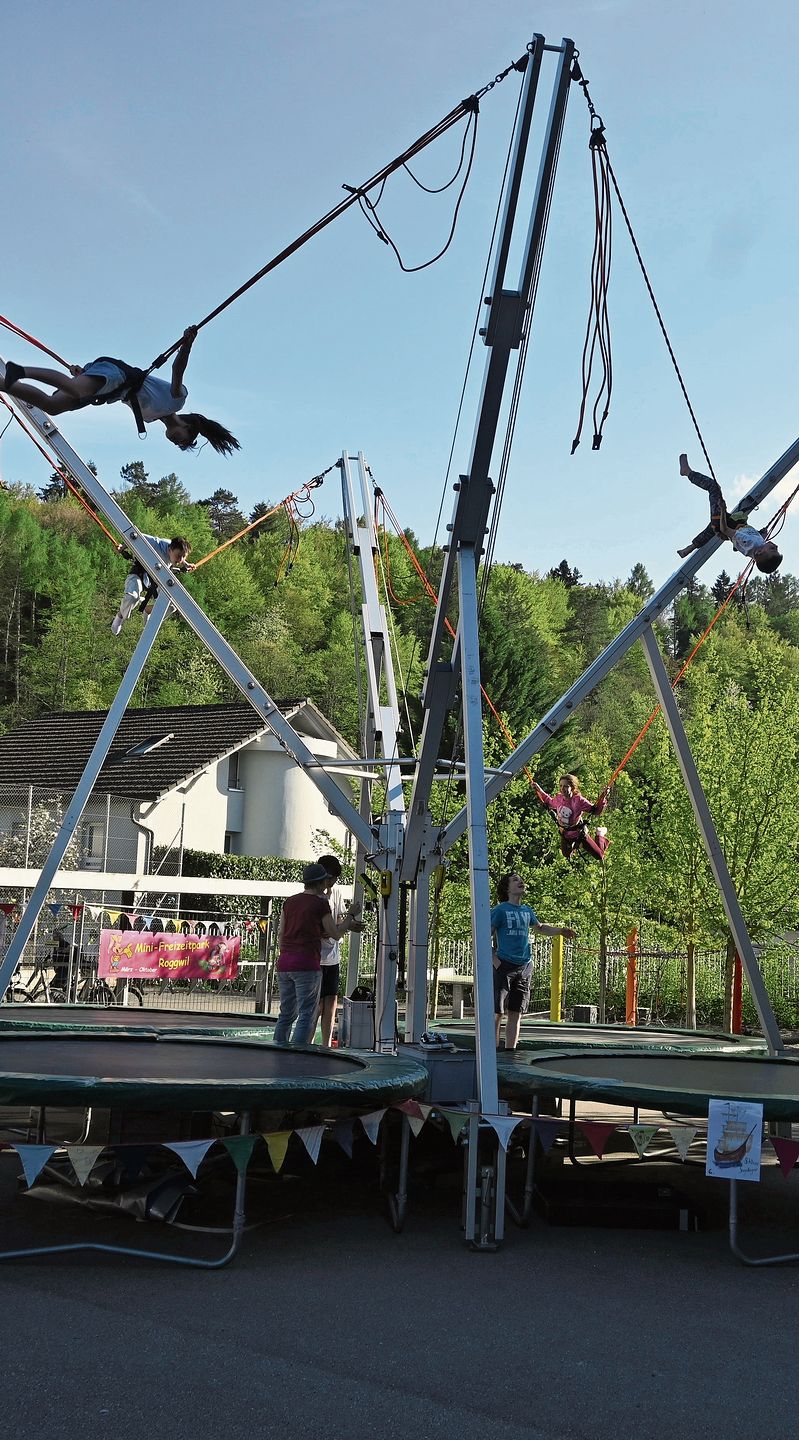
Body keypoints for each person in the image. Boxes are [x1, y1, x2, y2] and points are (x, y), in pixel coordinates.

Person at [0, 326, 239, 455]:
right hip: (118, 375)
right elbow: (178, 371)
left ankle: (3, 383)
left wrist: (85, 372)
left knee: (53, 406)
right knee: (74, 389)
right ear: (188, 426)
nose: (177, 442)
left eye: (178, 445)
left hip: (110, 389)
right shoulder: (176, 401)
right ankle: (19, 372)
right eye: (183, 440)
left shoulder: (149, 417)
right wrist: (186, 346)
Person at [274, 862, 362, 1046]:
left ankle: (278, 1050)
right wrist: (351, 916)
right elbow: (335, 934)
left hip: (284, 963)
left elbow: (282, 933)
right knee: (307, 1013)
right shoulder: (320, 904)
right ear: (321, 882)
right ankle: (298, 1056)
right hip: (306, 964)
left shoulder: (289, 902)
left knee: (286, 1014)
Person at [491, 874, 576, 1050]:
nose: (521, 881)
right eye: (515, 880)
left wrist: (561, 930)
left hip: (523, 967)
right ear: (507, 888)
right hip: (504, 965)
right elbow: (484, 934)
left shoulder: (527, 911)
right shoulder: (500, 910)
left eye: (521, 879)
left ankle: (510, 1050)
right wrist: (494, 959)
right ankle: (492, 1050)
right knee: (497, 1011)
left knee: (516, 1011)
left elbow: (540, 928)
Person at [676, 453, 782, 572]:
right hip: (732, 522)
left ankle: (687, 472)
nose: (776, 546)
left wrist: (722, 510)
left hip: (724, 525)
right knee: (710, 530)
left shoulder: (749, 543)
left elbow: (725, 530)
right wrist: (762, 533)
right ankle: (688, 549)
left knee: (714, 488)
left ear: (759, 552)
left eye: (773, 549)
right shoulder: (757, 545)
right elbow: (754, 538)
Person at [111, 535, 195, 635]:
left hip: (158, 579)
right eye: (178, 556)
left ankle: (148, 611)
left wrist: (186, 564)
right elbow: (132, 535)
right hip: (140, 573)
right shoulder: (156, 543)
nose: (180, 560)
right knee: (132, 597)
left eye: (183, 557)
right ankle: (120, 616)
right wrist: (123, 547)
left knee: (172, 606)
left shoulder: (176, 552)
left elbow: (180, 556)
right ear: (170, 549)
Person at [533, 774, 610, 862]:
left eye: (566, 786)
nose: (562, 789)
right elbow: (549, 801)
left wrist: (603, 796)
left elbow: (595, 810)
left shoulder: (578, 800)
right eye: (561, 786)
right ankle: (577, 845)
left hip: (579, 834)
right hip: (565, 833)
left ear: (572, 788)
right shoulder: (559, 798)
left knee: (599, 856)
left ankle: (600, 834)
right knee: (566, 854)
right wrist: (538, 789)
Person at [317, 853, 350, 1048]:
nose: (332, 882)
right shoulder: (315, 896)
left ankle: (327, 1044)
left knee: (331, 1002)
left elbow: (339, 921)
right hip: (316, 958)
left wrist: (340, 926)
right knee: (315, 1005)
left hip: (332, 957)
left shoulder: (336, 893)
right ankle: (309, 1043)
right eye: (331, 878)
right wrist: (335, 929)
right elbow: (331, 929)